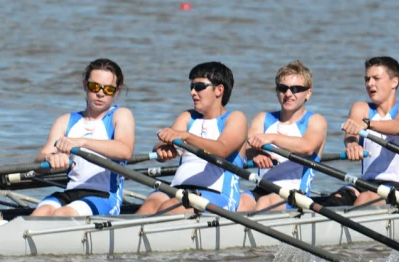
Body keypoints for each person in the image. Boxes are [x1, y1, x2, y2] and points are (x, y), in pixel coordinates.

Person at [136, 62, 247, 214]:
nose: (193, 92)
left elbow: (222, 149)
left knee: (170, 207)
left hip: (218, 197)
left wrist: (187, 136)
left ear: (219, 90)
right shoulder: (188, 117)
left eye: (199, 87)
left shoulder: (235, 118)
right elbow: (163, 144)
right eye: (192, 87)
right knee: (151, 204)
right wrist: (163, 149)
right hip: (178, 191)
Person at [32, 59, 135, 217]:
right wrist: (51, 158)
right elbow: (38, 164)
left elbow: (125, 151)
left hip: (104, 197)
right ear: (85, 85)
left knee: (61, 215)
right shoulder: (65, 121)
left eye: (108, 89)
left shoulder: (120, 115)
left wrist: (82, 142)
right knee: (41, 213)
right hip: (71, 192)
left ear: (117, 90)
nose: (100, 93)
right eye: (94, 87)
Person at [328, 56, 399, 207]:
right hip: (365, 184)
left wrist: (366, 124)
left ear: (394, 82)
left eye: (376, 78)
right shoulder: (361, 108)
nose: (369, 83)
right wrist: (352, 145)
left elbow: (398, 127)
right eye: (367, 79)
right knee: (336, 199)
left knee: (365, 199)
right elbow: (351, 133)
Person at [238, 61, 327, 211]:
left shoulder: (316, 121)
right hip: (262, 188)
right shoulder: (263, 118)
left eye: (296, 89)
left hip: (295, 195)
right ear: (277, 91)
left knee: (265, 203)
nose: (288, 94)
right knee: (238, 203)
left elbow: (307, 147)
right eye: (283, 88)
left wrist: (272, 138)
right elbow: (244, 145)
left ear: (308, 93)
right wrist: (255, 154)